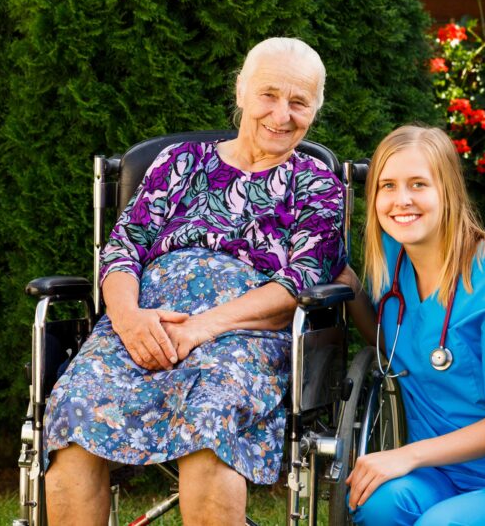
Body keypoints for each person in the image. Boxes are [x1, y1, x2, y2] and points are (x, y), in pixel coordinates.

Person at [43, 37, 346, 526]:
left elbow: (301, 281)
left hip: (242, 335)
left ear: (315, 110)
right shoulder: (179, 163)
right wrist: (128, 320)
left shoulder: (316, 185)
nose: (281, 114)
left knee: (209, 425)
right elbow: (123, 249)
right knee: (75, 412)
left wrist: (202, 328)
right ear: (242, 92)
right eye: (269, 94)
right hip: (141, 325)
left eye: (299, 102)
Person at [337, 125, 485, 525]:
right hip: (440, 476)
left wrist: (407, 454)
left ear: (447, 191)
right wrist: (346, 282)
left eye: (418, 184)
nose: (401, 200)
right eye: (387, 186)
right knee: (375, 504)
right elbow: (392, 343)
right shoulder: (393, 257)